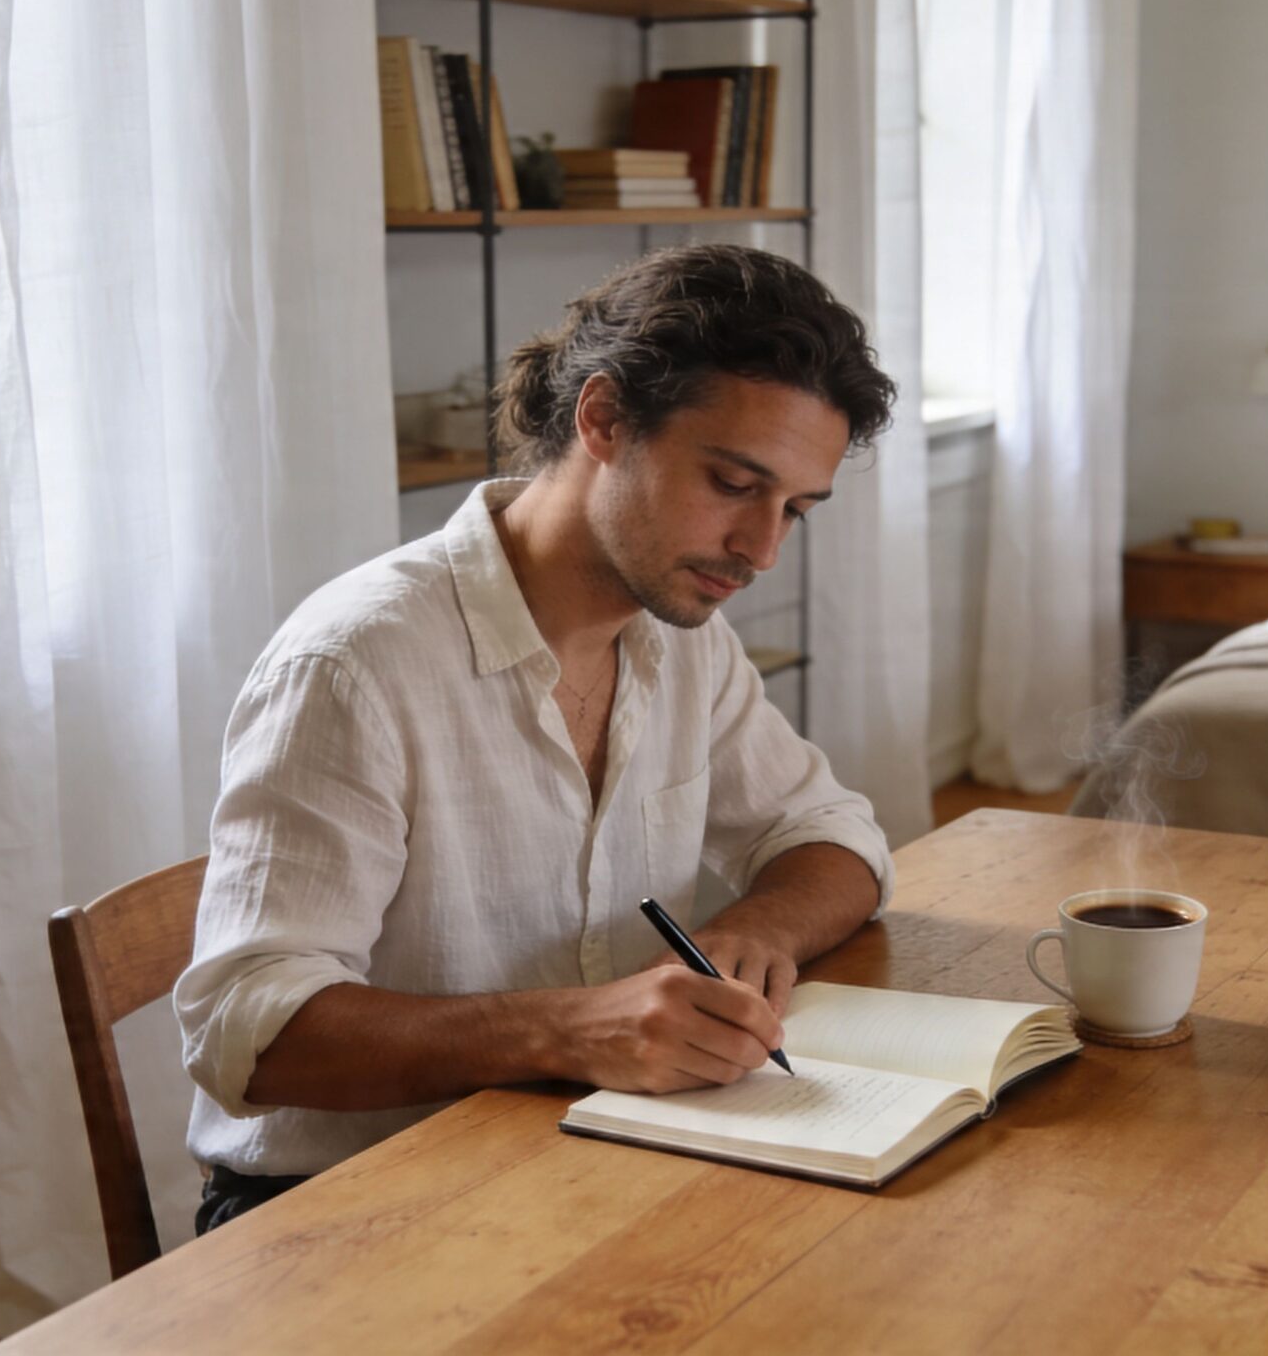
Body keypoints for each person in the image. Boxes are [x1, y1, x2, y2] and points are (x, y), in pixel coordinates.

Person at [175, 242, 899, 1234]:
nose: (761, 549)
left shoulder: (680, 634)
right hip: (343, 1214)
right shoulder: (355, 664)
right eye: (734, 485)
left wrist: (761, 929)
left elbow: (833, 835)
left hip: (579, 1158)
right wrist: (568, 1027)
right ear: (602, 419)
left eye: (794, 511)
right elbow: (246, 1028)